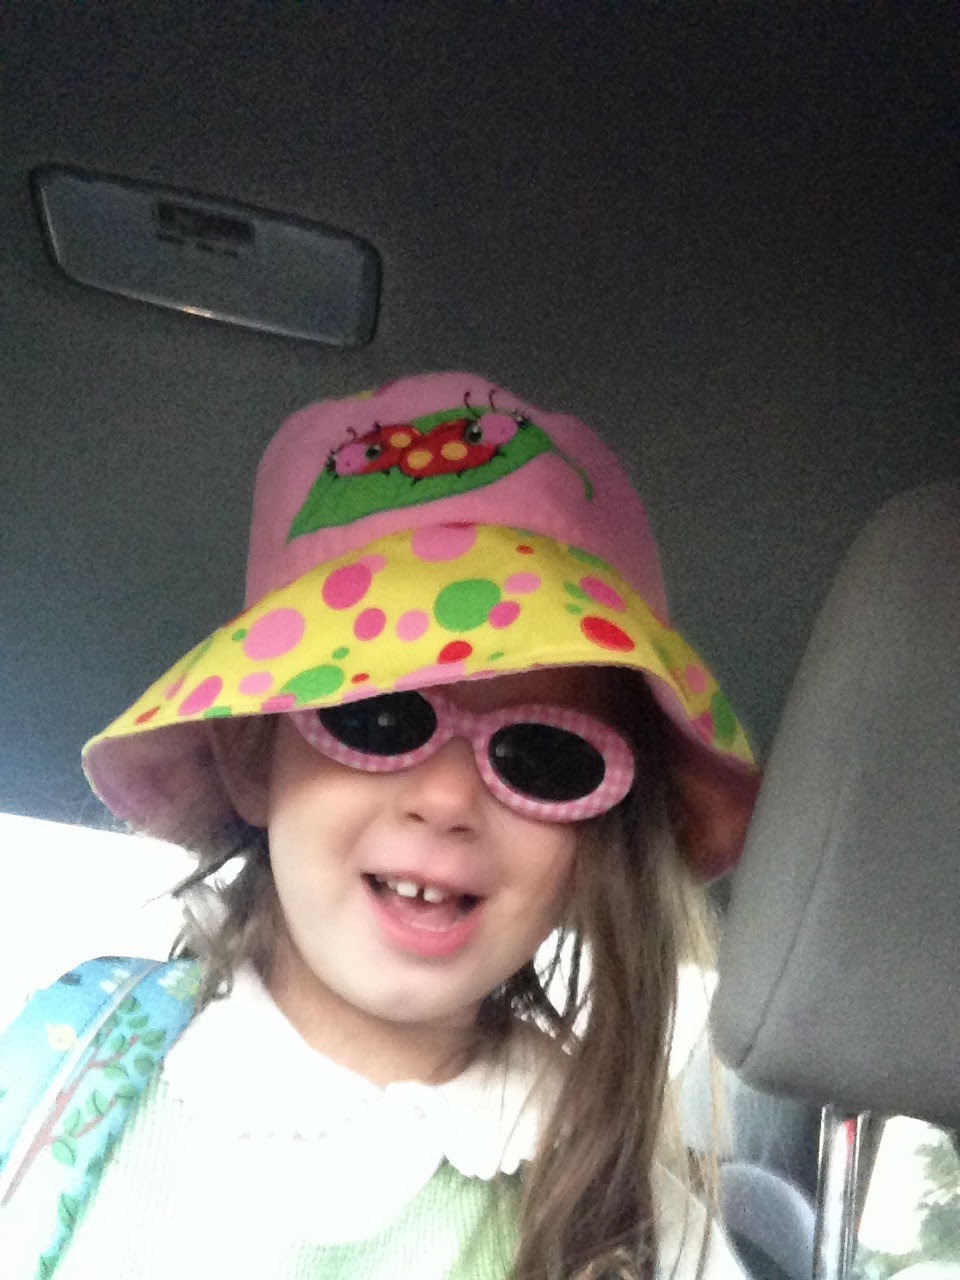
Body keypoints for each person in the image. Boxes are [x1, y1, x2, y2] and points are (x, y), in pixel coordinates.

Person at [1, 372, 760, 1279]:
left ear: (595, 844)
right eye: (378, 717)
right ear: (253, 757)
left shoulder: (643, 1236)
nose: (446, 801)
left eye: (546, 758)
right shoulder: (56, 1083)